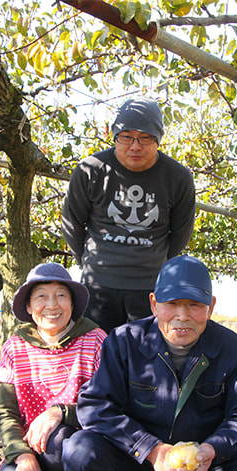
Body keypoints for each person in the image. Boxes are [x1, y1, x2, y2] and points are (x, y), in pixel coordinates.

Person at [62, 255, 237, 471]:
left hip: (202, 464)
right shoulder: (124, 341)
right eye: (171, 303)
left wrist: (212, 449)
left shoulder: (231, 348)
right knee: (79, 449)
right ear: (154, 304)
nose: (182, 316)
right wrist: (151, 449)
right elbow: (95, 407)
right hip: (138, 459)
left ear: (211, 305)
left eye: (195, 305)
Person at [61, 96, 196, 333]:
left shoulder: (178, 177)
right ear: (114, 136)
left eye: (145, 137)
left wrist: (156, 263)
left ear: (158, 140)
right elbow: (71, 223)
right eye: (126, 137)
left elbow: (181, 234)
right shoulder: (90, 170)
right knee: (98, 358)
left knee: (143, 362)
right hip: (97, 286)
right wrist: (89, 261)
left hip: (150, 289)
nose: (135, 146)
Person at [0, 262, 106, 471]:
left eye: (61, 296)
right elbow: (4, 412)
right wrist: (23, 456)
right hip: (35, 446)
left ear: (72, 304)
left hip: (82, 447)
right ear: (29, 306)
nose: (52, 305)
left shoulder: (95, 340)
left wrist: (61, 412)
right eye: (41, 297)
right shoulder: (15, 347)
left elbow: (108, 403)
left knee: (59, 438)